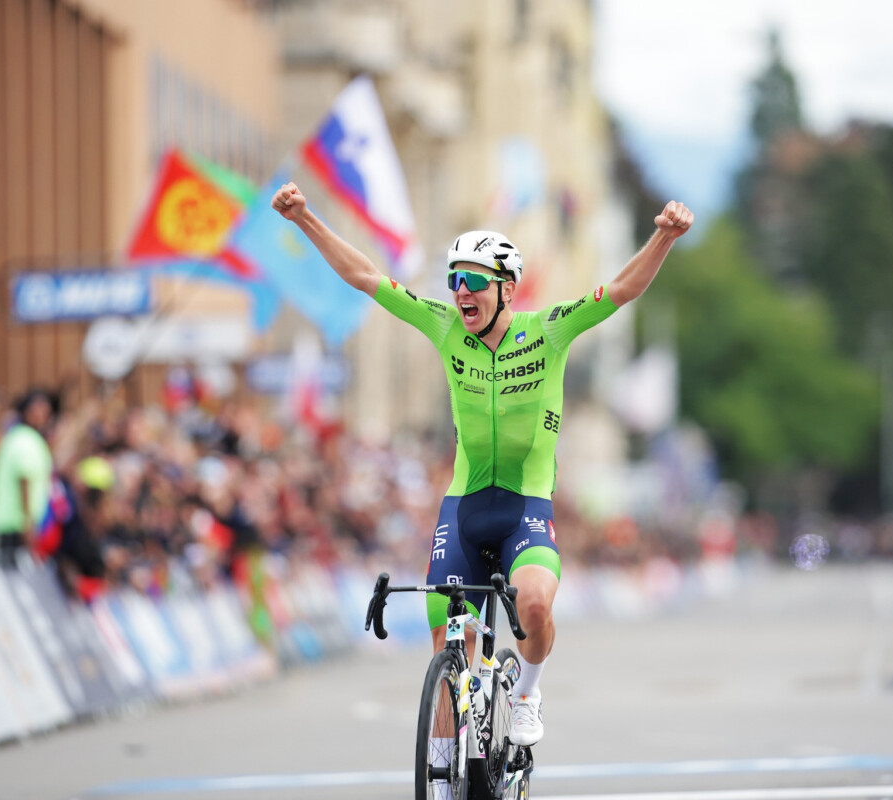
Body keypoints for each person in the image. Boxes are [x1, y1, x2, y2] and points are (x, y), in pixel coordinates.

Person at [272, 181, 692, 745]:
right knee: (452, 663)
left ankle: (528, 692)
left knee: (536, 605)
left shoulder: (548, 330)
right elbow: (366, 277)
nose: (460, 291)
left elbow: (621, 287)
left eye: (473, 280)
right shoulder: (445, 327)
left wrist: (663, 236)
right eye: (454, 280)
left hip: (526, 505)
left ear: (508, 288)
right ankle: (448, 766)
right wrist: (305, 219)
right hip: (463, 508)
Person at [0, 388, 55, 568]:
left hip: (4, 524)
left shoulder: (14, 437)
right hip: (16, 526)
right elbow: (24, 480)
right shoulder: (27, 440)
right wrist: (28, 523)